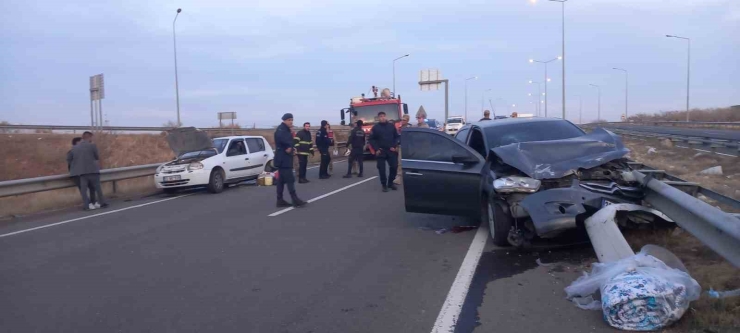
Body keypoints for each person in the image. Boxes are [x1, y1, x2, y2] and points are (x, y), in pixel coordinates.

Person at [67, 131, 107, 211]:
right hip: (93, 171)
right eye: (91, 138)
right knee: (97, 188)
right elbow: (96, 157)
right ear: (89, 137)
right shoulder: (92, 146)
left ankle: (87, 205)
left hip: (81, 172)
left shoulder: (74, 148)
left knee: (83, 190)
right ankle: (102, 203)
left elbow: (70, 160)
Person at [274, 113, 307, 208]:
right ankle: (295, 199)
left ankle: (279, 200)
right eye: (289, 120)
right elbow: (286, 143)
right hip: (284, 159)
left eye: (291, 120)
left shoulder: (284, 129)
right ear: (284, 120)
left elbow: (289, 143)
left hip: (282, 158)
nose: (291, 121)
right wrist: (290, 148)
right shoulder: (282, 130)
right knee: (290, 179)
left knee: (280, 180)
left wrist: (291, 148)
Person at [369, 111, 400, 192]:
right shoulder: (375, 128)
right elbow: (371, 139)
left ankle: (390, 183)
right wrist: (376, 149)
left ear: (386, 117)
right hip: (381, 151)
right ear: (378, 118)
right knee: (381, 169)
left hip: (391, 150)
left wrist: (394, 145)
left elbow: (397, 137)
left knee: (394, 166)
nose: (382, 118)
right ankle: (384, 185)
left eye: (383, 116)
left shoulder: (391, 126)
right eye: (380, 116)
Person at [67, 137, 98, 208]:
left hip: (86, 172)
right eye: (81, 142)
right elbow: (69, 163)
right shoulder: (71, 151)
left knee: (92, 187)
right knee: (83, 189)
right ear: (77, 143)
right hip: (77, 174)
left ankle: (94, 202)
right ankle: (88, 203)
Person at [393, 115, 413, 185]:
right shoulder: (399, 128)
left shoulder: (410, 128)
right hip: (401, 146)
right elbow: (398, 138)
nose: (402, 121)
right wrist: (396, 146)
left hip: (409, 147)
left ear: (407, 120)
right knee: (400, 163)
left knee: (410, 162)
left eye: (404, 120)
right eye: (402, 120)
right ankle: (399, 178)